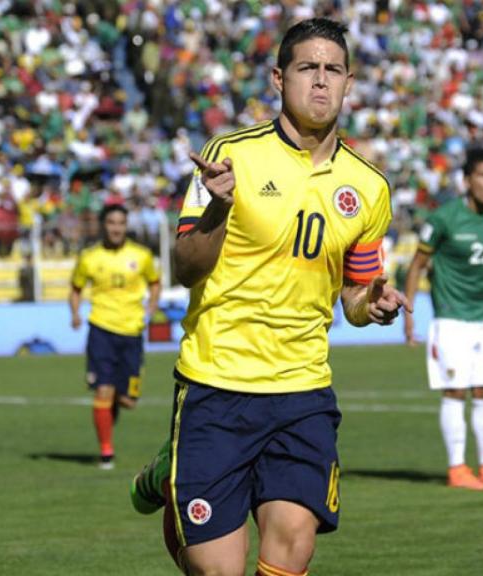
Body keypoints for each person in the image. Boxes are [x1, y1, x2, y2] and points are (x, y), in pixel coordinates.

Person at [129, 19, 408, 576]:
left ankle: (177, 475)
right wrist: (218, 207)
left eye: (333, 70)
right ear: (280, 78)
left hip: (302, 389)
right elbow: (185, 269)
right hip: (218, 383)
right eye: (308, 68)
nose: (321, 82)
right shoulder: (230, 155)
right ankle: (173, 473)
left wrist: (370, 305)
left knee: (293, 545)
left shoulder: (370, 187)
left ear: (350, 82)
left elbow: (354, 295)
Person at [402, 148, 483, 491]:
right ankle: (457, 468)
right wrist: (409, 312)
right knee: (455, 391)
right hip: (452, 320)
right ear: (467, 180)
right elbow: (417, 265)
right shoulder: (443, 219)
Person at [69, 203, 160, 469]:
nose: (116, 228)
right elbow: (75, 288)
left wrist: (151, 307)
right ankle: (106, 452)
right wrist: (75, 313)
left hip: (132, 332)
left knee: (128, 401)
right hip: (101, 330)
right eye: (111, 223)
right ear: (103, 226)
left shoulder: (141, 255)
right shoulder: (89, 257)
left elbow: (154, 283)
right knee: (103, 391)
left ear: (126, 225)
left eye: (121, 223)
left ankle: (113, 406)